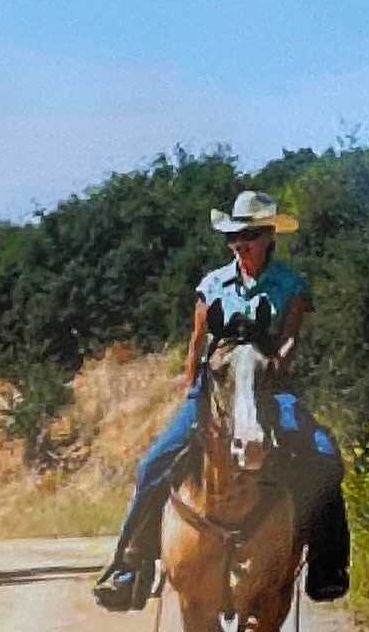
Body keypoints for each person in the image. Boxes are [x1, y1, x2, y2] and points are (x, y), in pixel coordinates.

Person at [96, 190, 314, 609]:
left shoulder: (292, 287)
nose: (240, 243)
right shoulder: (212, 285)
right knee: (153, 465)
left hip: (270, 387)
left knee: (322, 456)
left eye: (249, 234)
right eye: (234, 236)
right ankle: (130, 566)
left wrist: (272, 362)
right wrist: (192, 391)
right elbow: (196, 344)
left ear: (269, 236)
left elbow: (290, 339)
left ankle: (327, 562)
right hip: (214, 389)